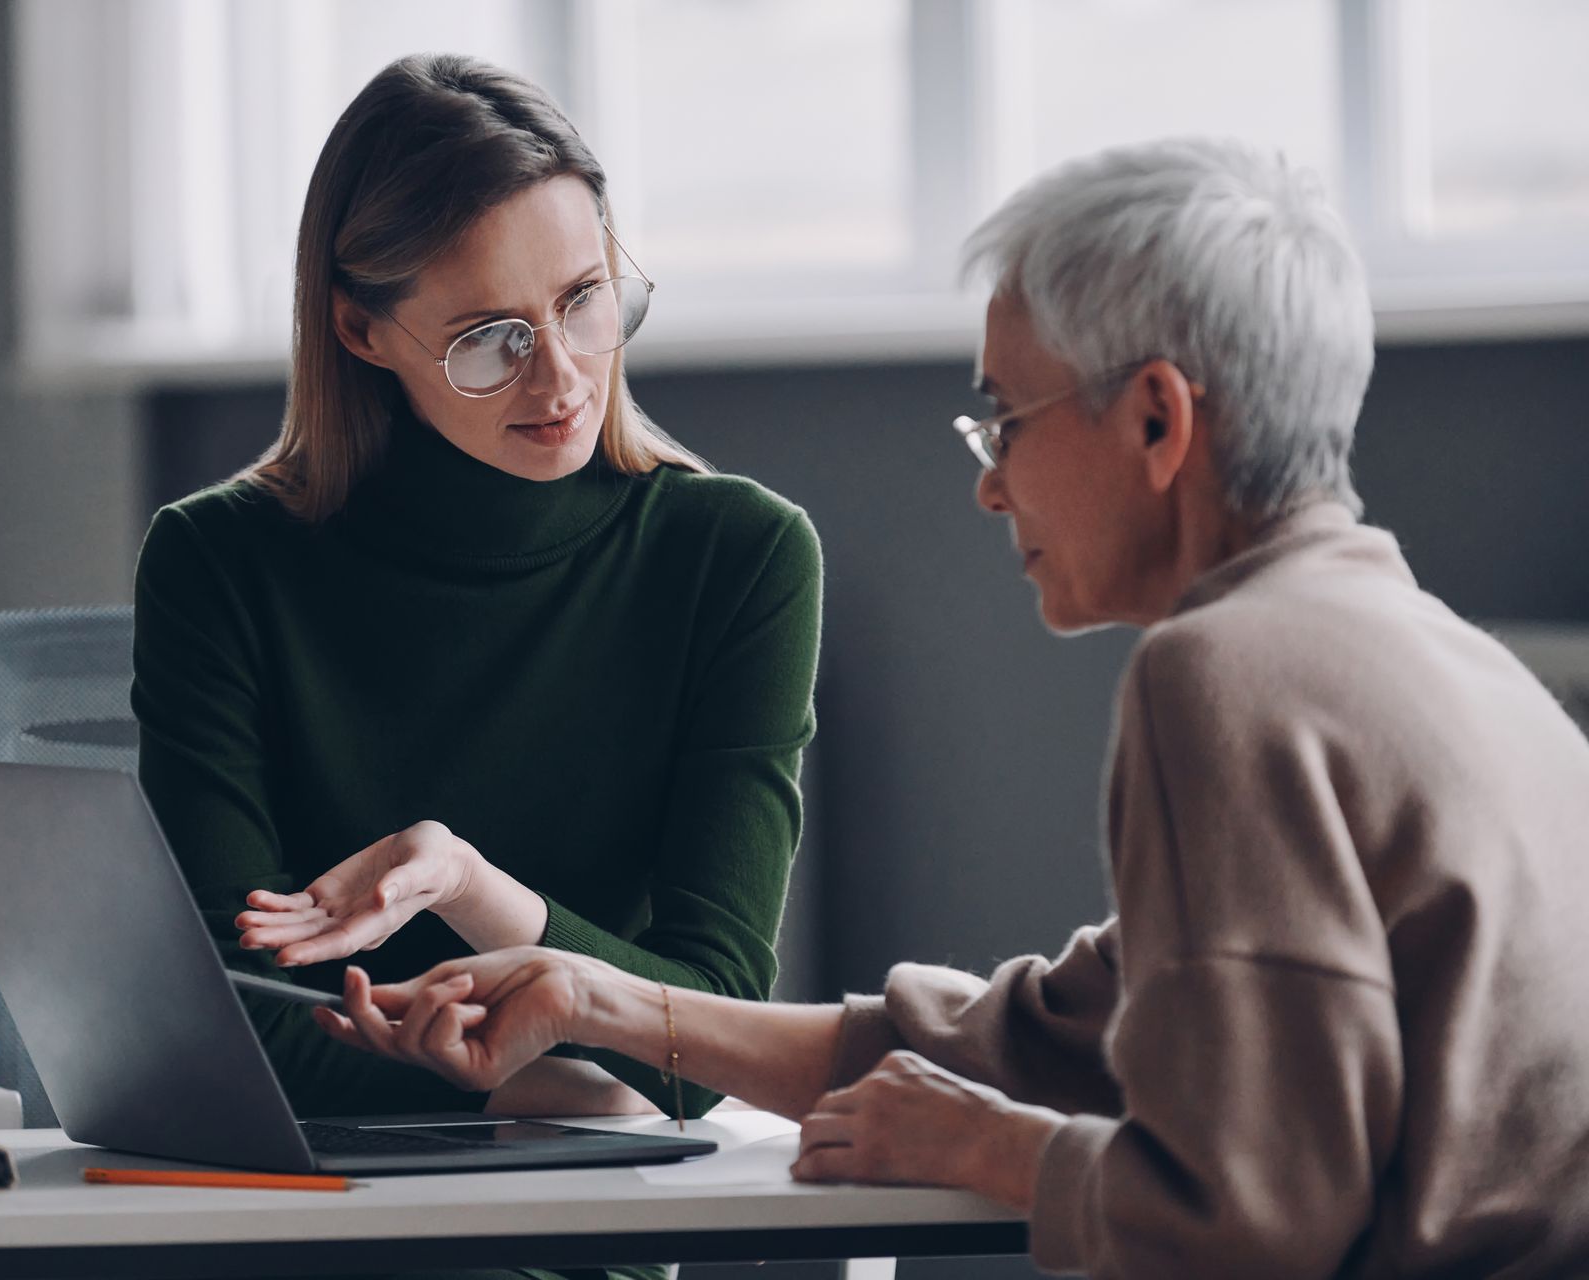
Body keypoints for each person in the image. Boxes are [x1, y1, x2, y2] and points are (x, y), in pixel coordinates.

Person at [309, 138, 1589, 1278]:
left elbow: (1255, 1223)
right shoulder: (1458, 666)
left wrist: (995, 1147)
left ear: (1155, 417)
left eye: (1006, 419)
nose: (989, 486)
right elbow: (1045, 1035)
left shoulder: (1224, 672)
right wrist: (599, 997)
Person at [131, 51, 821, 1129]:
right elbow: (219, 1027)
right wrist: (534, 1078)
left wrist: (464, 885)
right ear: (362, 330)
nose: (561, 378)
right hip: (287, 1195)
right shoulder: (219, 559)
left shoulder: (738, 558)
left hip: (572, 1208)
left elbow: (704, 1042)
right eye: (489, 339)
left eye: (585, 299)